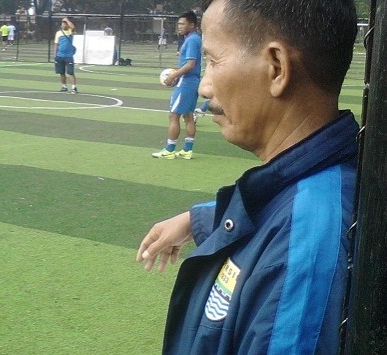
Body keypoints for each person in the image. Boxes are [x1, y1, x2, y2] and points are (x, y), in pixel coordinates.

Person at [136, 0, 358, 353]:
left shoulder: (303, 249)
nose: (205, 88)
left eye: (213, 61)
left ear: (276, 68)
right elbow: (270, 208)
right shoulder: (308, 191)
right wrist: (198, 218)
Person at [151, 11, 201, 160]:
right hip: (192, 82)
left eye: (182, 23)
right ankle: (187, 150)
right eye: (178, 23)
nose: (179, 26)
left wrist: (174, 75)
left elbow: (191, 64)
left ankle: (170, 150)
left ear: (192, 25)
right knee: (188, 116)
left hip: (187, 81)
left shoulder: (192, 40)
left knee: (173, 115)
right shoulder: (193, 38)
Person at [53, 17, 78, 94]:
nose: (63, 25)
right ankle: (64, 86)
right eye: (62, 23)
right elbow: (56, 44)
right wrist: (55, 55)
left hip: (68, 56)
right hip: (59, 55)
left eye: (65, 23)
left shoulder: (70, 31)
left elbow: (73, 27)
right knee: (61, 72)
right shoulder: (58, 33)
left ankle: (74, 87)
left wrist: (67, 20)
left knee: (70, 72)